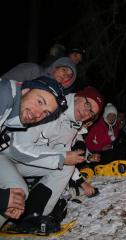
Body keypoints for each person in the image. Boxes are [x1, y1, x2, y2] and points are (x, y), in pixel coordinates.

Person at [6, 86, 104, 232]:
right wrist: (63, 157)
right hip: (8, 156)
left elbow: (65, 156)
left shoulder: (72, 126)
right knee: (18, 194)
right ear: (77, 96)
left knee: (66, 166)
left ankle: (35, 216)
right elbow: (19, 147)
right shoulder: (51, 106)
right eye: (88, 105)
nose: (87, 113)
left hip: (24, 162)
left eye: (92, 113)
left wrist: (82, 182)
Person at [0, 76, 67, 228]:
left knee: (18, 193)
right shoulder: (3, 95)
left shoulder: (11, 116)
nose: (37, 114)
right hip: (10, 157)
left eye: (45, 113)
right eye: (39, 101)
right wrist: (2, 199)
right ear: (26, 89)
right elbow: (20, 149)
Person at [2, 57, 77, 92]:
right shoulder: (34, 70)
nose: (65, 75)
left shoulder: (56, 96)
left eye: (68, 76)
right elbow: (4, 83)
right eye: (64, 70)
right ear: (55, 68)